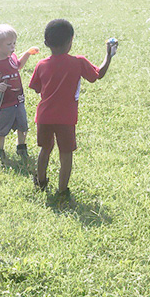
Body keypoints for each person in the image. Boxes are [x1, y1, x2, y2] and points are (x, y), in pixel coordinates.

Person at [28, 19, 116, 199]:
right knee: (65, 154)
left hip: (44, 116)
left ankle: (41, 182)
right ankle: (62, 191)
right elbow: (98, 75)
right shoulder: (79, 62)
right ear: (70, 41)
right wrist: (109, 55)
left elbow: (36, 87)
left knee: (45, 149)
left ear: (46, 43)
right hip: (66, 119)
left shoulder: (41, 65)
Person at [0, 24, 38, 165]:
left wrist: (27, 53)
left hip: (18, 99)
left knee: (22, 124)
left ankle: (21, 146)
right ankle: (0, 149)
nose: (13, 47)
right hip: (3, 104)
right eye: (9, 44)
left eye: (14, 43)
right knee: (1, 128)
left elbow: (18, 65)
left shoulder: (12, 57)